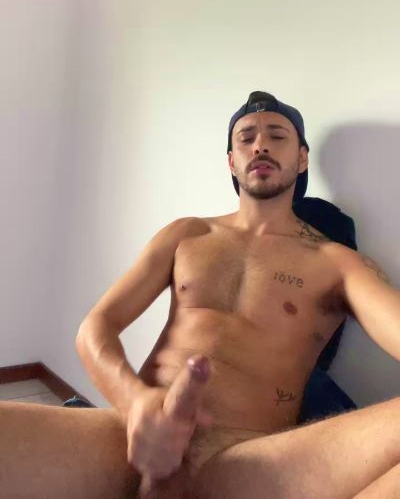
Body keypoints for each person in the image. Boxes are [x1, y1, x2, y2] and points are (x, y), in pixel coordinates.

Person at [2, 90, 400, 499]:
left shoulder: (337, 262)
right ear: (232, 161)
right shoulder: (188, 234)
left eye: (277, 135)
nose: (260, 145)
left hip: (244, 461)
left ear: (301, 159)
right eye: (246, 138)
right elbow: (95, 328)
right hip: (132, 438)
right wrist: (135, 403)